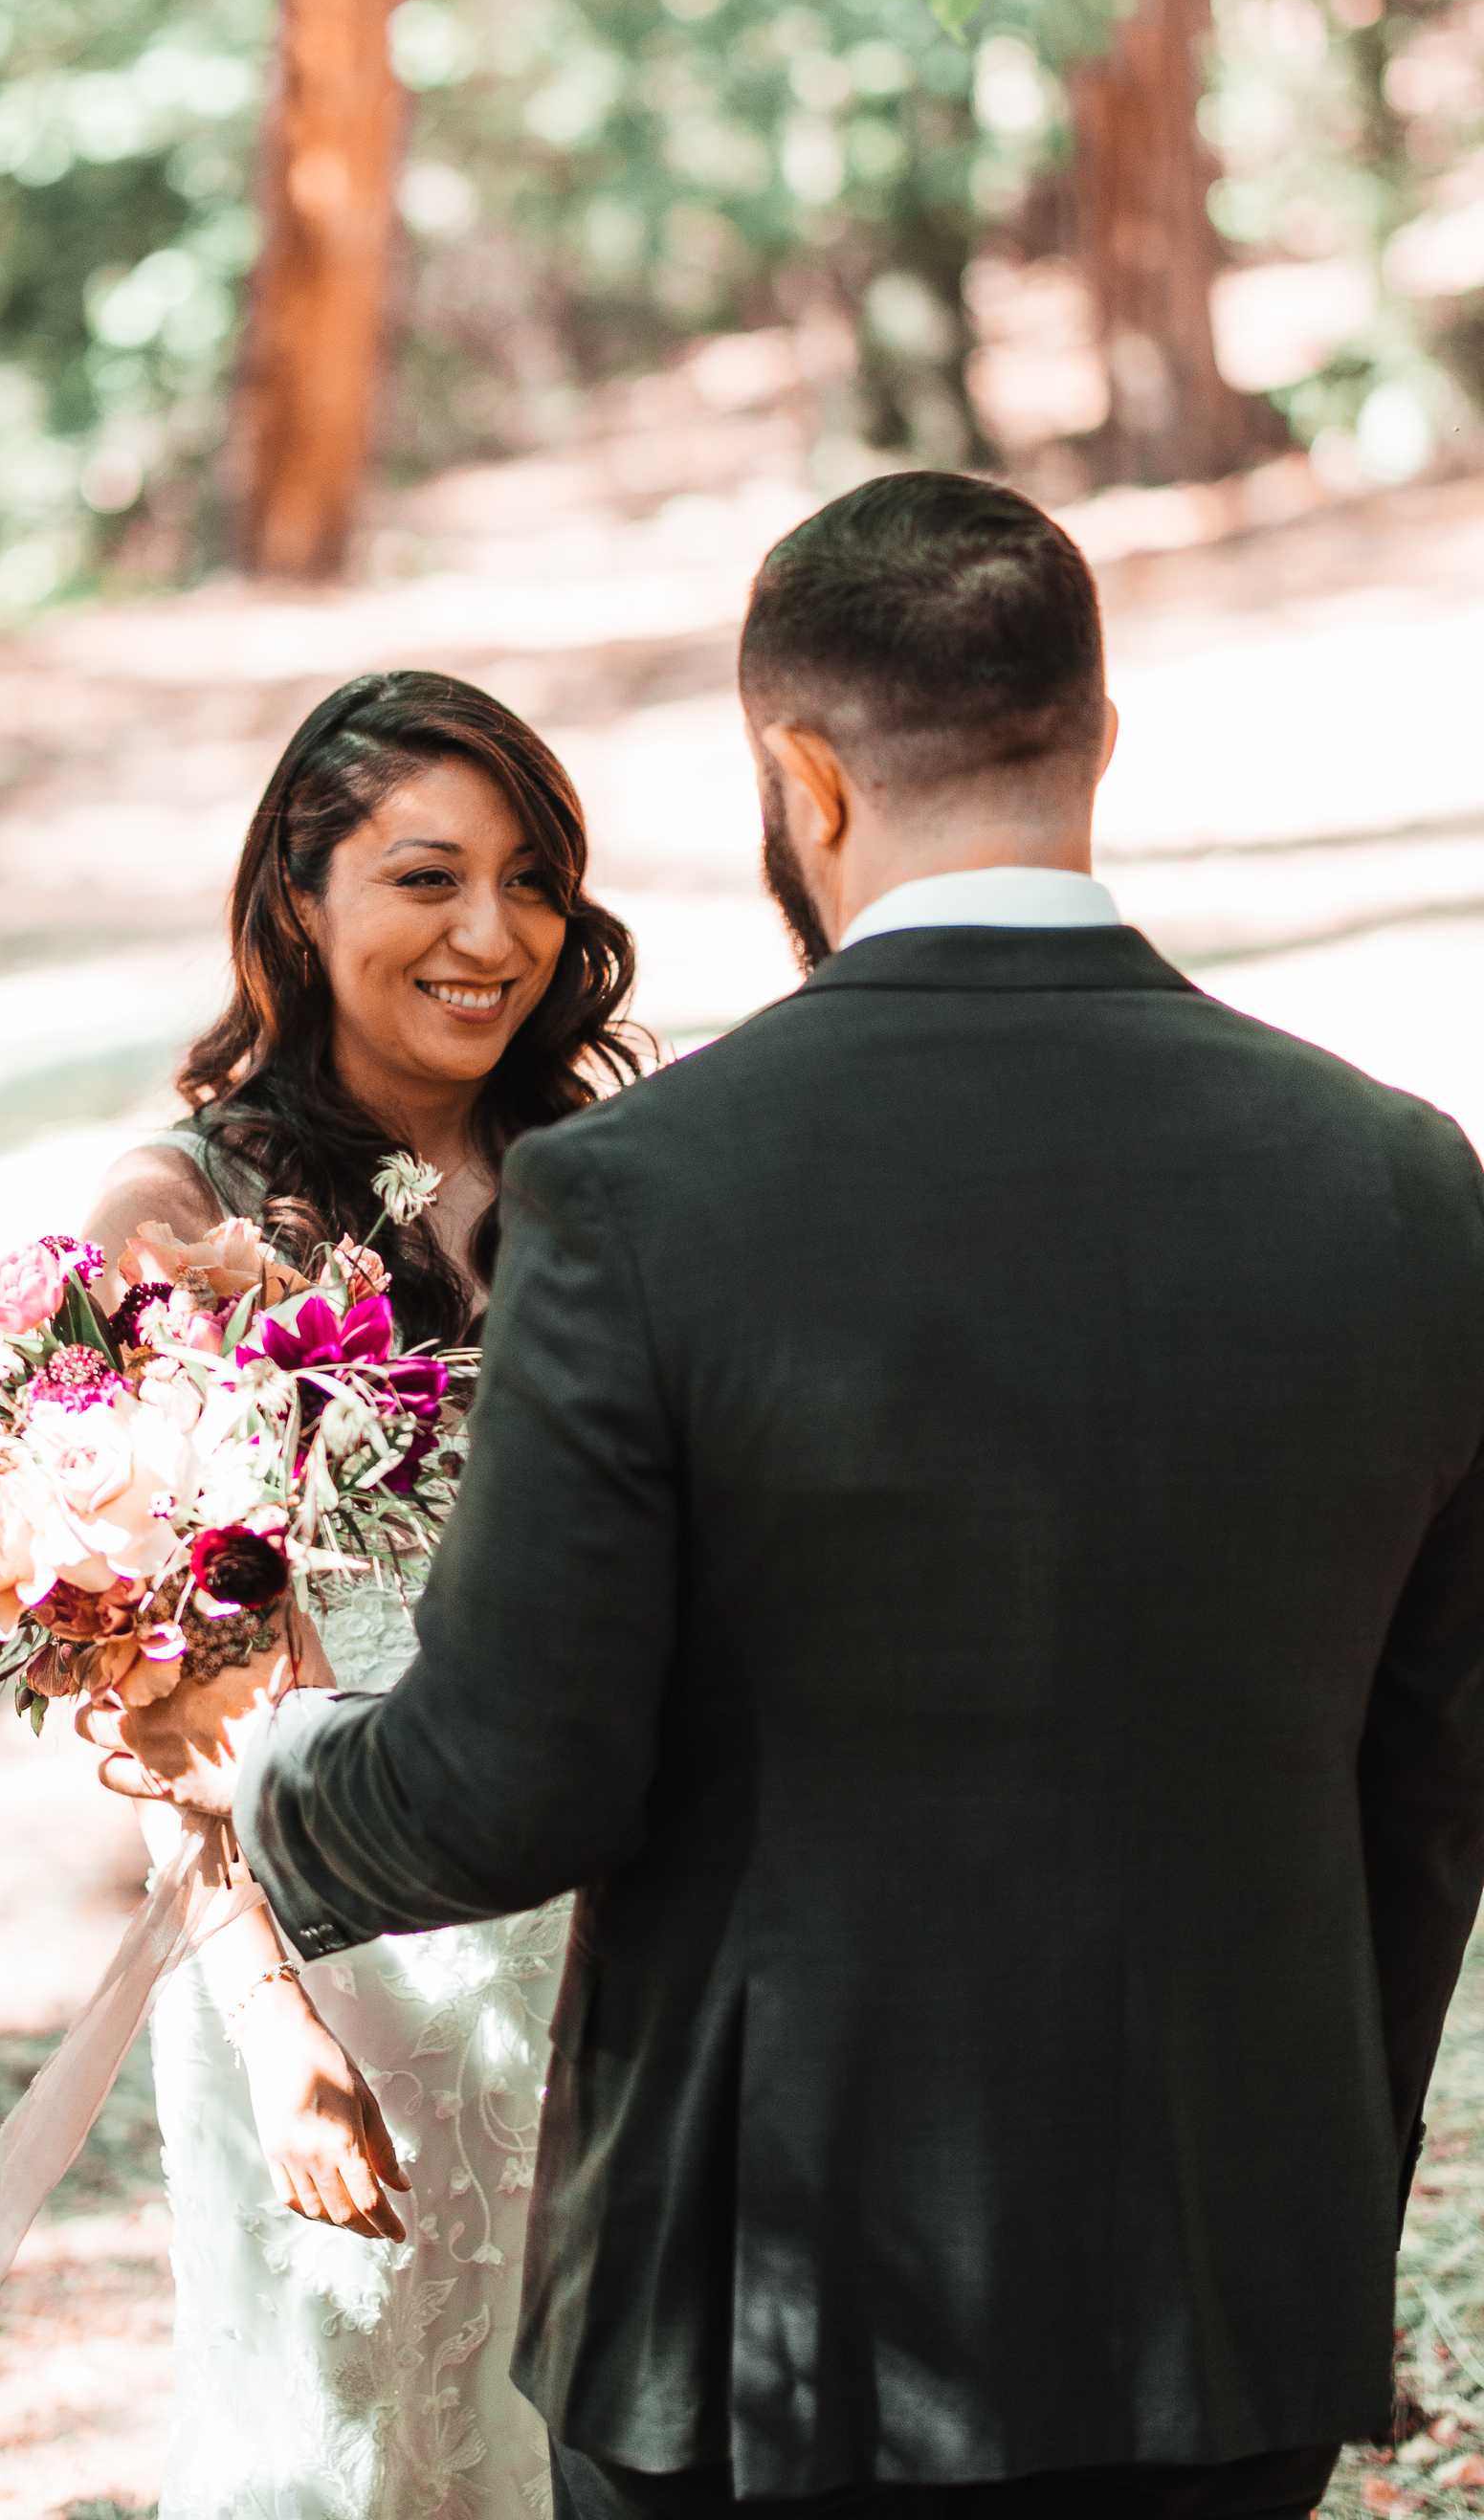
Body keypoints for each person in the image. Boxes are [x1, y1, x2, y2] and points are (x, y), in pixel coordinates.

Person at [103, 472, 1484, 2520]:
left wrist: (263, 1768)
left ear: (801, 777)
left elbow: (516, 1783)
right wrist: (1298, 2214)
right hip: (1229, 2299)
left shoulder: (644, 1200)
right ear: (1096, 738)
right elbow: (1424, 1779)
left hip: (765, 2337)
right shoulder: (1402, 1179)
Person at [82, 669, 642, 2520]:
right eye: (426, 878)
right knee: (349, 2437)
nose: (493, 935)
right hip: (334, 1948)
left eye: (533, 881)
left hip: (615, 1935)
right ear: (295, 903)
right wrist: (281, 2031)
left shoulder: (619, 1187)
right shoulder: (175, 1218)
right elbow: (145, 1680)